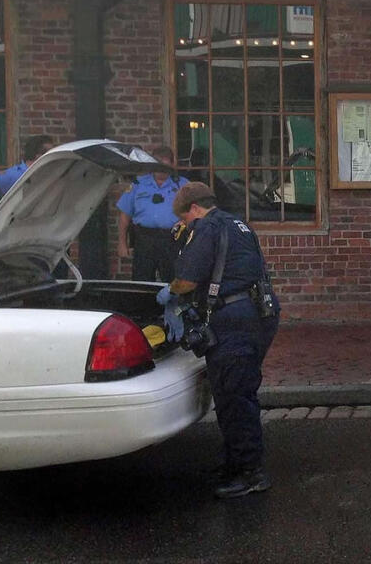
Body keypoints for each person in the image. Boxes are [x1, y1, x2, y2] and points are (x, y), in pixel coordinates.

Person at [169, 181, 280, 499]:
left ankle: (250, 473)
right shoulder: (238, 223)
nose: (185, 225)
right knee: (237, 391)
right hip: (258, 313)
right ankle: (235, 463)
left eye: (184, 218)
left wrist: (168, 291)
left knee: (234, 396)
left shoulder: (207, 227)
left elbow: (187, 281)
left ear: (193, 209)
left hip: (234, 319)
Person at [115, 145, 187, 282]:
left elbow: (194, 213)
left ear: (172, 164)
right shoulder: (138, 184)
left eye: (165, 166)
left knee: (172, 281)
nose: (162, 170)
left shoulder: (182, 186)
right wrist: (122, 243)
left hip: (172, 239)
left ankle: (170, 304)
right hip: (144, 239)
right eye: (158, 165)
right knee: (142, 280)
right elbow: (125, 215)